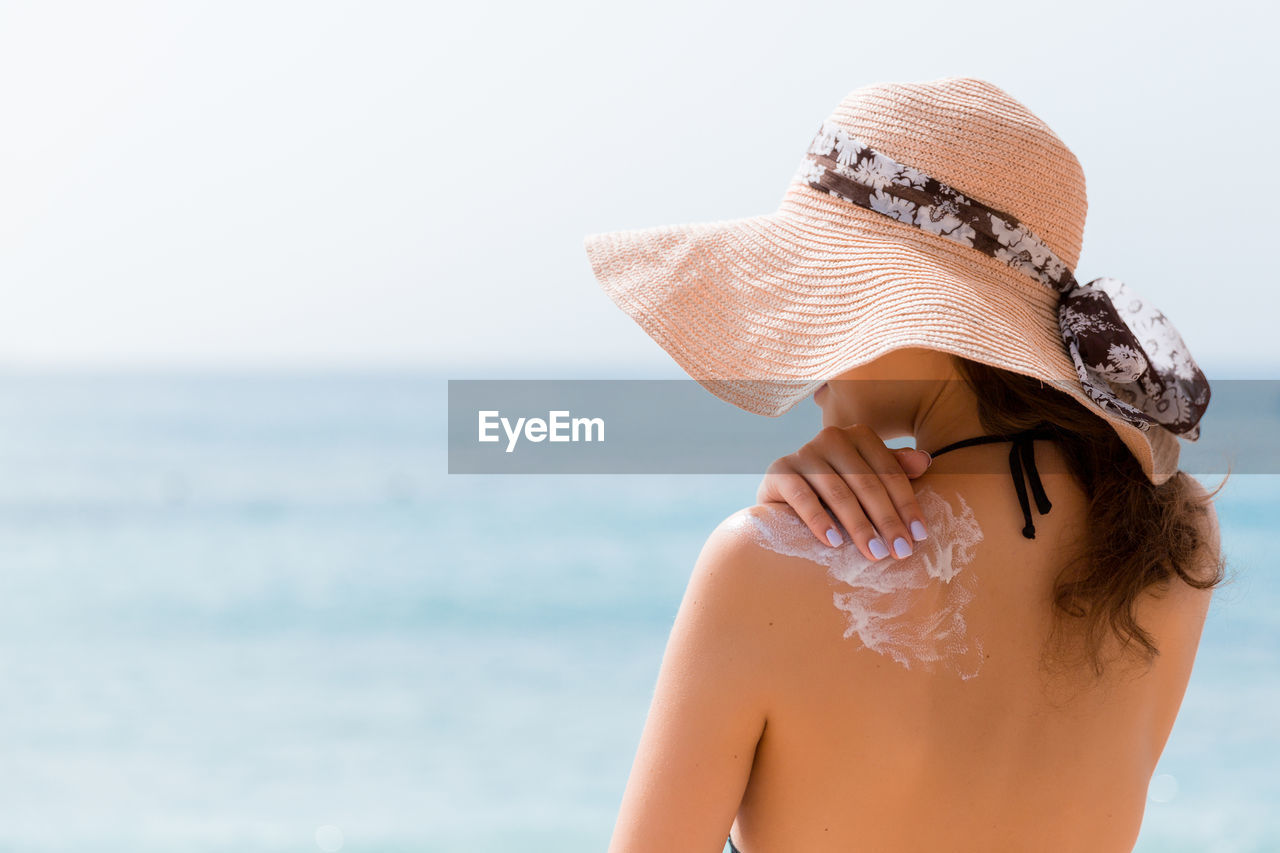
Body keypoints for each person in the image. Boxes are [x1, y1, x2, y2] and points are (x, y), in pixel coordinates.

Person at [583, 77, 1227, 853]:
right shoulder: (1174, 533)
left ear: (921, 307)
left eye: (829, 288)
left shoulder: (762, 566)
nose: (804, 333)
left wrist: (773, 544)